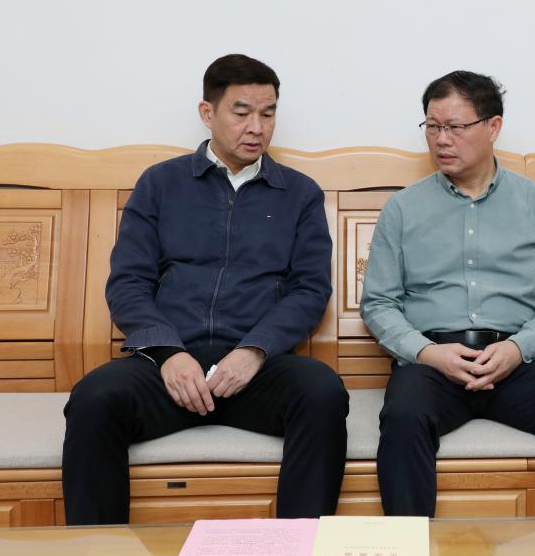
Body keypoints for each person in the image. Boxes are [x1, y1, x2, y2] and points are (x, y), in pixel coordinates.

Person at [62, 54, 348, 524]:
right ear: (207, 112)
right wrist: (168, 354)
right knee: (93, 399)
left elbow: (309, 290)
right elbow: (129, 282)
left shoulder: (300, 193)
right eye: (242, 112)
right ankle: (98, 554)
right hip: (169, 367)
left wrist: (254, 350)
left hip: (254, 370)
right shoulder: (160, 183)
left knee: (322, 392)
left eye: (268, 113)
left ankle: (298, 547)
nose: (256, 127)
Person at [360, 70, 535, 517]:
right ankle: (411, 553)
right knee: (403, 418)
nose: (442, 139)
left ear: (493, 127)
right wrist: (427, 353)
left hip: (516, 361)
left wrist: (518, 349)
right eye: (433, 126)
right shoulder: (402, 208)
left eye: (455, 127)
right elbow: (379, 302)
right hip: (433, 362)